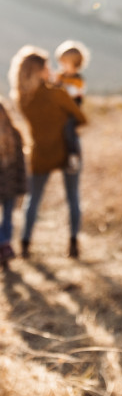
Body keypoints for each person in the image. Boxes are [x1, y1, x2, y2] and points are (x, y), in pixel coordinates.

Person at [9, 45, 87, 259]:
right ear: (39, 70)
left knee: (32, 199)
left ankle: (25, 244)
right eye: (47, 66)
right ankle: (73, 243)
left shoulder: (21, 99)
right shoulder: (56, 94)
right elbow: (81, 117)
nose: (52, 69)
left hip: (40, 151)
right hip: (67, 149)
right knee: (73, 197)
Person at [54, 40, 89, 173]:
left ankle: (73, 155)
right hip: (60, 112)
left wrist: (60, 86)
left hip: (72, 112)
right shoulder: (60, 76)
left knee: (69, 130)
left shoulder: (78, 79)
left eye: (64, 63)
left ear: (75, 64)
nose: (61, 66)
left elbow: (73, 93)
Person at [0, 99, 26, 269]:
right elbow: (21, 164)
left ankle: (3, 245)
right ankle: (6, 245)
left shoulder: (15, 134)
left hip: (7, 185)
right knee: (8, 217)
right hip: (10, 186)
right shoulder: (15, 133)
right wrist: (22, 185)